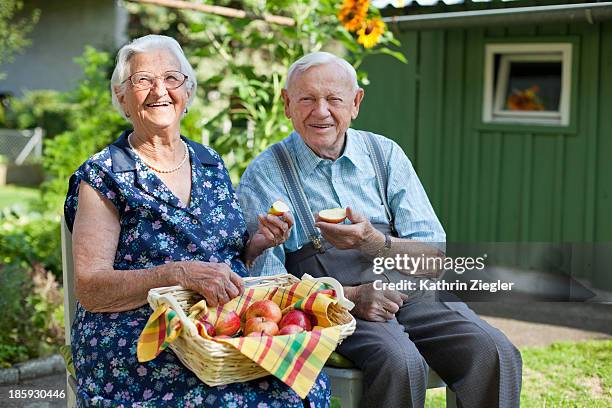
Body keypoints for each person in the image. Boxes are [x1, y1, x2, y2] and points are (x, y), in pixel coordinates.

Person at [237, 51, 522, 408]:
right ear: (286, 104)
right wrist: (352, 298)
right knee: (400, 363)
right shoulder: (266, 174)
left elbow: (434, 258)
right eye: (307, 99)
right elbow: (270, 284)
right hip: (335, 306)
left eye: (334, 99)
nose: (320, 111)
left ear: (355, 103)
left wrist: (375, 241)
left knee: (494, 352)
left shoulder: (383, 154)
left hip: (413, 291)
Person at [64, 35, 330, 407]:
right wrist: (177, 274)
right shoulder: (105, 174)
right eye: (143, 81)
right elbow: (91, 288)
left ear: (187, 91)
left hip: (222, 328)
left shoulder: (209, 161)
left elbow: (225, 254)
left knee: (303, 383)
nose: (160, 90)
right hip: (139, 337)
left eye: (172, 78)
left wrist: (257, 243)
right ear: (122, 98)